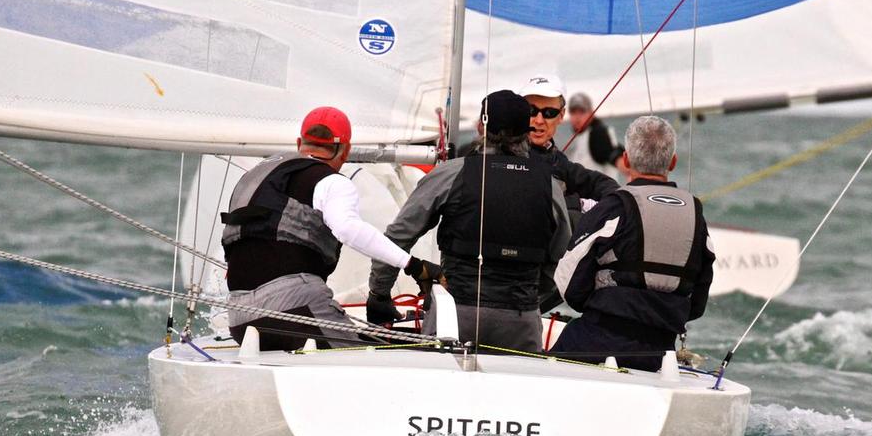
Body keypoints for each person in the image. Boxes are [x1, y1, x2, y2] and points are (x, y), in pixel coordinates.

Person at [221, 106, 443, 350]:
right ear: (345, 150)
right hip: (296, 310)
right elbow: (347, 228)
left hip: (240, 319)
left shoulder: (253, 178)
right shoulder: (332, 182)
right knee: (369, 354)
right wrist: (414, 266)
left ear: (299, 143)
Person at [367, 90, 570, 352]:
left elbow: (398, 237)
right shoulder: (550, 186)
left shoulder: (451, 174)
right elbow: (561, 257)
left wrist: (379, 294)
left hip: (456, 315)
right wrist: (526, 296)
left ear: (480, 127)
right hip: (521, 322)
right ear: (526, 131)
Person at [550, 115, 715, 370]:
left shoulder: (614, 207)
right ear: (672, 161)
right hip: (660, 351)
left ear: (626, 160)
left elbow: (568, 282)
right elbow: (699, 297)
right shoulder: (696, 214)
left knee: (546, 360)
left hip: (598, 339)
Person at [519, 74, 620, 309]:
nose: (538, 120)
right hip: (509, 269)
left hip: (537, 275)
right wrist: (578, 205)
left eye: (549, 113)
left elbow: (594, 180)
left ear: (561, 116)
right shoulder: (506, 151)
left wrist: (619, 202)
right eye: (531, 111)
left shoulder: (556, 159)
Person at [564, 91, 625, 180]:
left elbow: (615, 156)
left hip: (603, 193)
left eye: (582, 111)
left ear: (591, 113)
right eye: (573, 112)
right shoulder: (580, 137)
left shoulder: (598, 133)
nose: (577, 117)